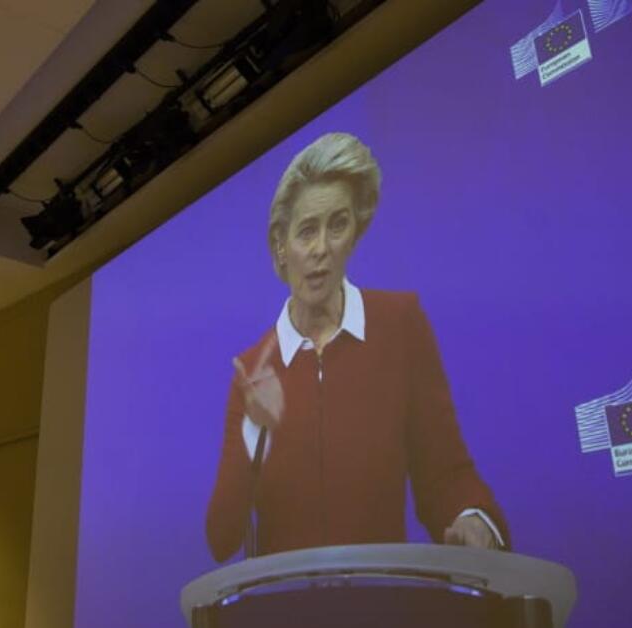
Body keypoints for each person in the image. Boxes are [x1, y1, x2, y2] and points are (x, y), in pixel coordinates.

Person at [205, 132, 509, 561]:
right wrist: (255, 430)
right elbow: (221, 538)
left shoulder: (400, 325)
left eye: (338, 225)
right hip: (283, 620)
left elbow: (444, 474)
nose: (321, 250)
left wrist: (473, 518)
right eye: (307, 231)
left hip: (383, 614)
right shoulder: (254, 371)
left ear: (355, 233)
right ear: (281, 245)